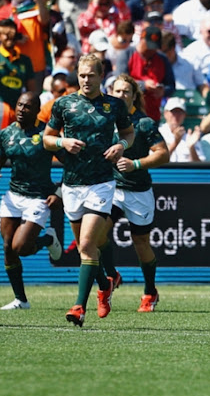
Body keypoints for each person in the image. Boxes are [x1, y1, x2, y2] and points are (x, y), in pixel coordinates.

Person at [44, 54, 135, 327]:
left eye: (91, 75)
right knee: (89, 249)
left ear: (100, 76)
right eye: (82, 75)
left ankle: (79, 308)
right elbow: (47, 140)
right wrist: (62, 142)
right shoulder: (64, 104)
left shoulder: (114, 106)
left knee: (86, 245)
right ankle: (104, 286)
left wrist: (121, 146)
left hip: (102, 183)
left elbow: (129, 134)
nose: (85, 80)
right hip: (71, 184)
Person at [96, 74, 170, 312]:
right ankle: (111, 275)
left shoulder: (144, 123)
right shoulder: (105, 119)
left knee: (141, 243)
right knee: (97, 235)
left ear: (134, 96)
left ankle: (150, 291)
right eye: (117, 91)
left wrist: (136, 164)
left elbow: (163, 153)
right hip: (113, 187)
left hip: (138, 190)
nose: (121, 96)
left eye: (126, 92)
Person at [0, 92, 62, 310]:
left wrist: (60, 193)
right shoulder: (7, 133)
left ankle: (48, 239)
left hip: (38, 197)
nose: (21, 109)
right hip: (13, 196)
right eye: (19, 105)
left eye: (27, 107)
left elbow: (71, 164)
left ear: (37, 110)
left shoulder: (47, 133)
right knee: (8, 248)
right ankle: (21, 300)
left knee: (20, 247)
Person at [127, 25, 175, 122]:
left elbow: (171, 86)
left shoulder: (162, 59)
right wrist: (143, 85)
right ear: (142, 39)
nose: (152, 50)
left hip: (153, 115)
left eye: (154, 47)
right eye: (149, 45)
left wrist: (162, 91)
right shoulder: (128, 54)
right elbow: (118, 82)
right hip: (130, 114)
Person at [159, 97, 202, 162]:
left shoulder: (191, 136)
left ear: (184, 115)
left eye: (180, 112)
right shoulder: (158, 133)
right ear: (165, 114)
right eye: (173, 111)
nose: (176, 115)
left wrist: (191, 147)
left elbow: (200, 166)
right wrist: (175, 143)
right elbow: (156, 161)